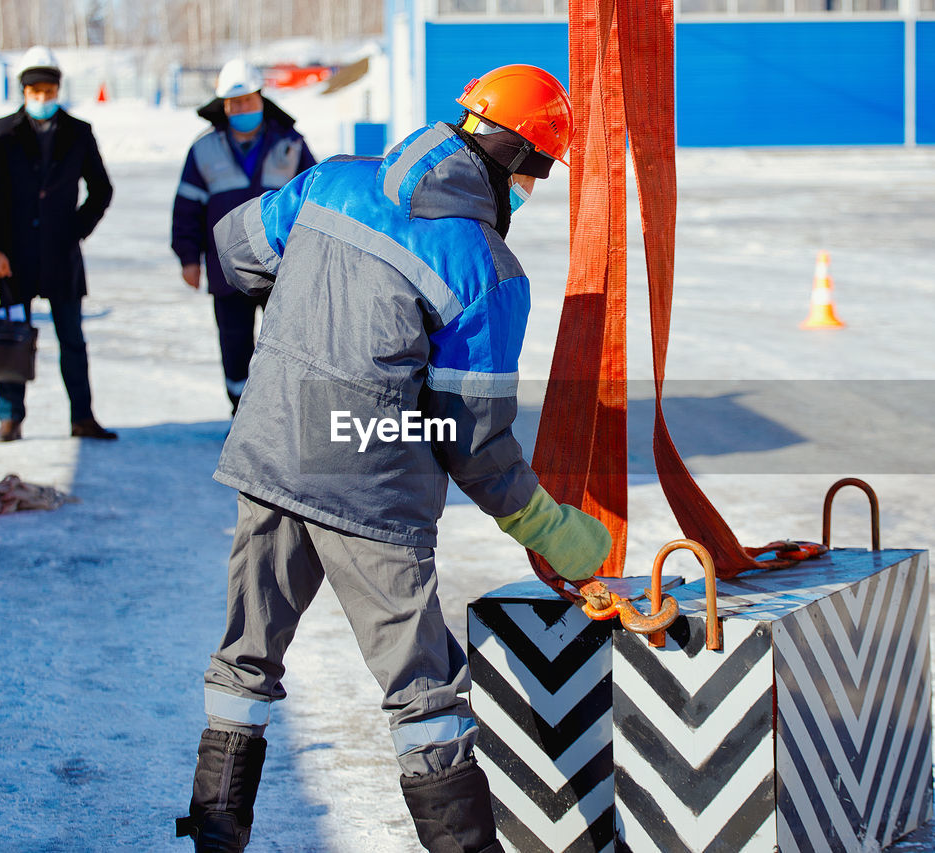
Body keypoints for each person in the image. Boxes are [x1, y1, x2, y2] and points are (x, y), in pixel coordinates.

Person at [175, 65, 612, 852]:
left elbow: (234, 251)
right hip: (369, 488)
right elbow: (475, 442)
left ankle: (213, 835)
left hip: (269, 452)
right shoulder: (485, 268)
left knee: (245, 662)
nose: (532, 193)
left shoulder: (332, 181)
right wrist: (554, 530)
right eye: (536, 172)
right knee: (425, 694)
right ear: (508, 157)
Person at [0, 45, 116, 442]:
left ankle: (82, 417)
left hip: (61, 256)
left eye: (49, 90)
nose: (42, 98)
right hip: (13, 257)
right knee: (12, 338)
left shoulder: (78, 132)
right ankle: (10, 417)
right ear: (24, 92)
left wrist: (76, 229)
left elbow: (101, 189)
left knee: (72, 340)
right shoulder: (2, 133)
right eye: (35, 91)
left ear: (58, 90)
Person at [171, 59, 317, 415]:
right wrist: (189, 257)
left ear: (260, 99)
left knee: (286, 345)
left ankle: (279, 418)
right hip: (226, 270)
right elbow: (187, 207)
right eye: (234, 103)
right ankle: (241, 414)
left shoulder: (291, 144)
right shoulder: (203, 149)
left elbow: (315, 202)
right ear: (224, 106)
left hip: (281, 269)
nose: (241, 108)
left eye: (247, 100)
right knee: (234, 347)